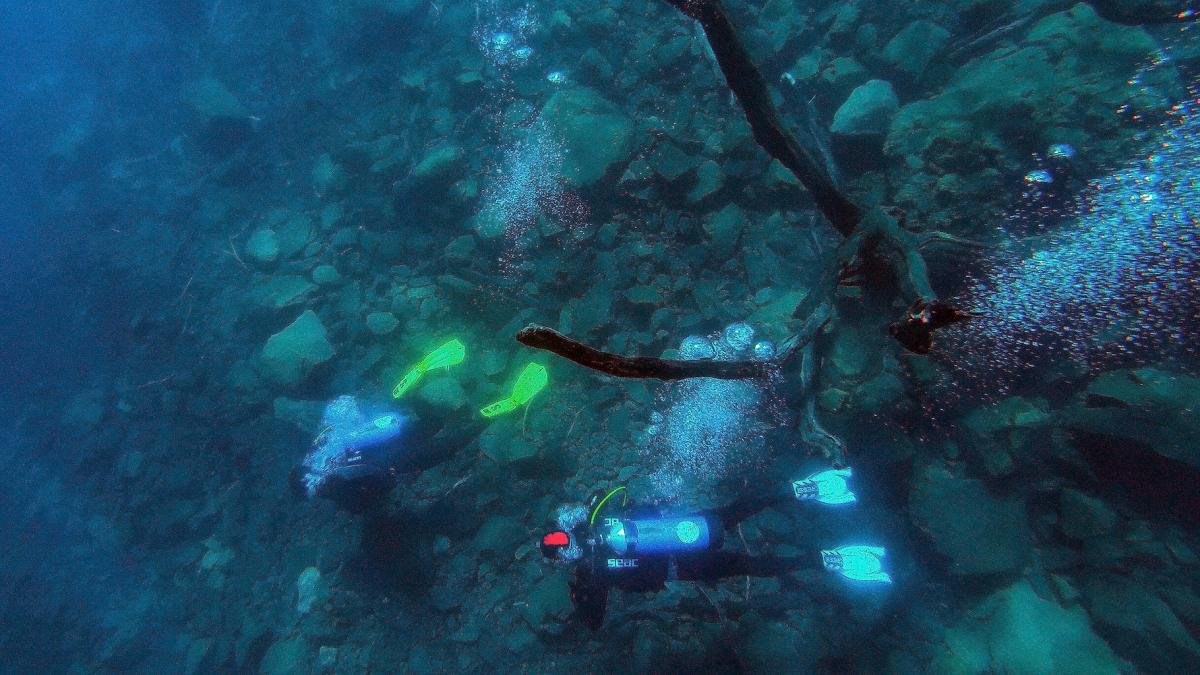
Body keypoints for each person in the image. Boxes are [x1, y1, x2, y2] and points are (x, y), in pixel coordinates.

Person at [539, 468, 891, 630]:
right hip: (685, 530)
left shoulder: (592, 574)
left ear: (564, 560)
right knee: (737, 510)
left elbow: (594, 623)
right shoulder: (598, 520)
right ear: (568, 534)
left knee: (754, 566)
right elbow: (622, 495)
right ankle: (801, 489)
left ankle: (826, 560)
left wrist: (578, 596)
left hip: (686, 568)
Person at [291, 394, 475, 513]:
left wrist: (392, 481)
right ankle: (427, 394)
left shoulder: (335, 487)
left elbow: (372, 481)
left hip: (399, 461)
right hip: (391, 439)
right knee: (434, 423)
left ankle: (487, 417)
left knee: (450, 446)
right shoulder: (326, 456)